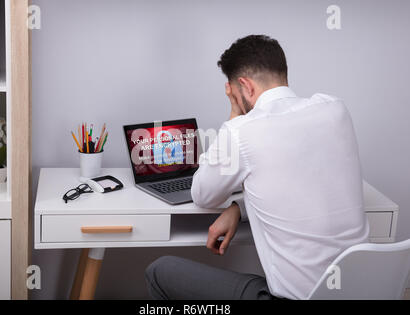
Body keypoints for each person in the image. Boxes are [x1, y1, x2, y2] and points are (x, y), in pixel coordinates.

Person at [145, 35, 369, 300]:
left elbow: (202, 194)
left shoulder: (241, 131)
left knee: (160, 271)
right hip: (361, 291)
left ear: (245, 86)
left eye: (234, 92)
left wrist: (233, 113)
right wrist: (238, 208)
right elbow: (297, 179)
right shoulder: (335, 108)